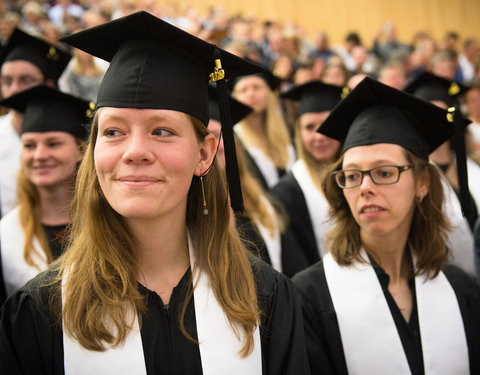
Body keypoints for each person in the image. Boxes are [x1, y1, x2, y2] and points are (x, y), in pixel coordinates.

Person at [0, 12, 309, 374]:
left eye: (161, 131)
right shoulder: (39, 312)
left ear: (205, 153)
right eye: (114, 132)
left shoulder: (267, 299)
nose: (134, 151)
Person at [293, 77, 480, 374]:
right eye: (352, 176)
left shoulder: (461, 291)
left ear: (422, 182)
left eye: (383, 172)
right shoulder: (310, 298)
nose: (365, 187)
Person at [0, 85, 90, 302]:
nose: (39, 155)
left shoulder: (108, 221)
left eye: (53, 143)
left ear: (80, 150)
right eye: (29, 146)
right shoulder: (7, 233)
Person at [208, 85, 307, 277]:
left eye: (219, 135)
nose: (214, 145)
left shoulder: (258, 199)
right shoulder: (190, 210)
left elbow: (294, 264)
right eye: (204, 136)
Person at [404, 71, 480, 277]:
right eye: (427, 114)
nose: (435, 120)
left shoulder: (474, 164)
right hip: (448, 280)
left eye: (442, 112)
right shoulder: (414, 176)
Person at [272, 81, 347, 267]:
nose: (319, 136)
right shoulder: (286, 193)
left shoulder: (359, 178)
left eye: (327, 124)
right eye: (309, 127)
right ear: (298, 131)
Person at [0, 28, 71, 218]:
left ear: (49, 85)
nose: (14, 89)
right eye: (7, 81)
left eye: (26, 80)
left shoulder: (71, 134)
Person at [231, 70, 296, 190]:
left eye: (257, 87)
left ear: (269, 93)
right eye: (243, 90)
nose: (251, 94)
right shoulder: (232, 139)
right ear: (234, 97)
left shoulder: (289, 131)